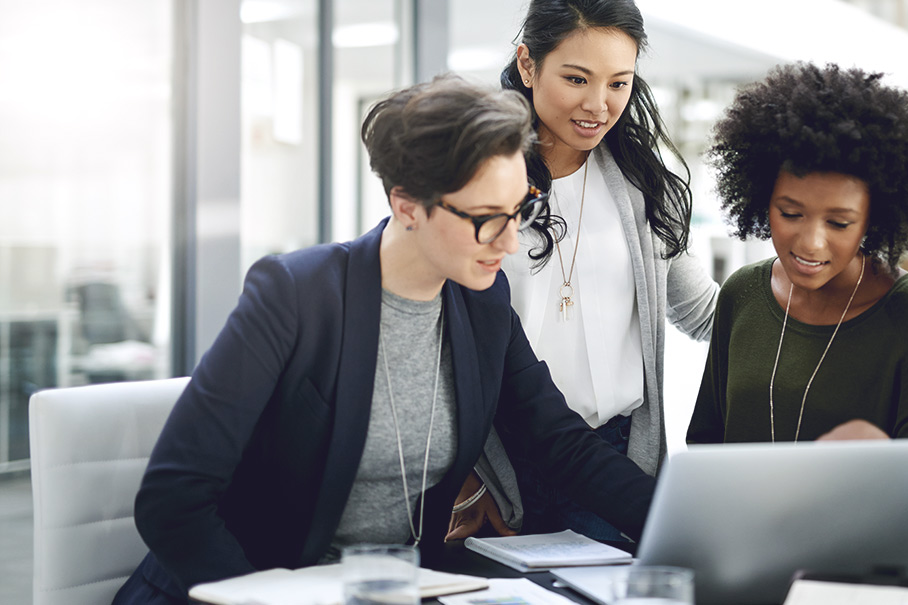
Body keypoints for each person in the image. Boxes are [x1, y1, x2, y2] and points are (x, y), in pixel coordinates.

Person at [112, 74, 656, 605]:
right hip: (254, 588)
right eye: (489, 219)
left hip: (393, 589)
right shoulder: (295, 296)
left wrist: (676, 519)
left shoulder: (482, 304)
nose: (511, 241)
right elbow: (173, 500)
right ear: (407, 206)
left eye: (521, 211)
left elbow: (560, 442)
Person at [446, 0, 719, 543]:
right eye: (576, 78)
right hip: (501, 471)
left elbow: (706, 313)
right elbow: (436, 343)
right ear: (528, 65)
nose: (599, 104)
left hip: (616, 462)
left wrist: (826, 295)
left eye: (619, 83)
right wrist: (462, 480)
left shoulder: (640, 184)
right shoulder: (476, 183)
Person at [685, 62, 908, 565]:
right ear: (760, 198)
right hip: (749, 569)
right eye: (790, 213)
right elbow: (704, 455)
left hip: (866, 583)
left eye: (839, 222)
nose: (810, 242)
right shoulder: (742, 295)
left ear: (874, 220)